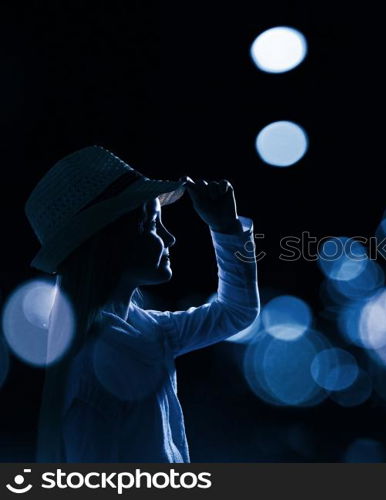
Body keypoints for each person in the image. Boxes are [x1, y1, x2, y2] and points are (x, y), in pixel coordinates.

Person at [24, 145, 260, 462]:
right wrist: (225, 231)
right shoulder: (91, 370)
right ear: (110, 244)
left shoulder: (148, 331)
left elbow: (236, 312)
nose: (170, 238)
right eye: (151, 225)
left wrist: (226, 228)